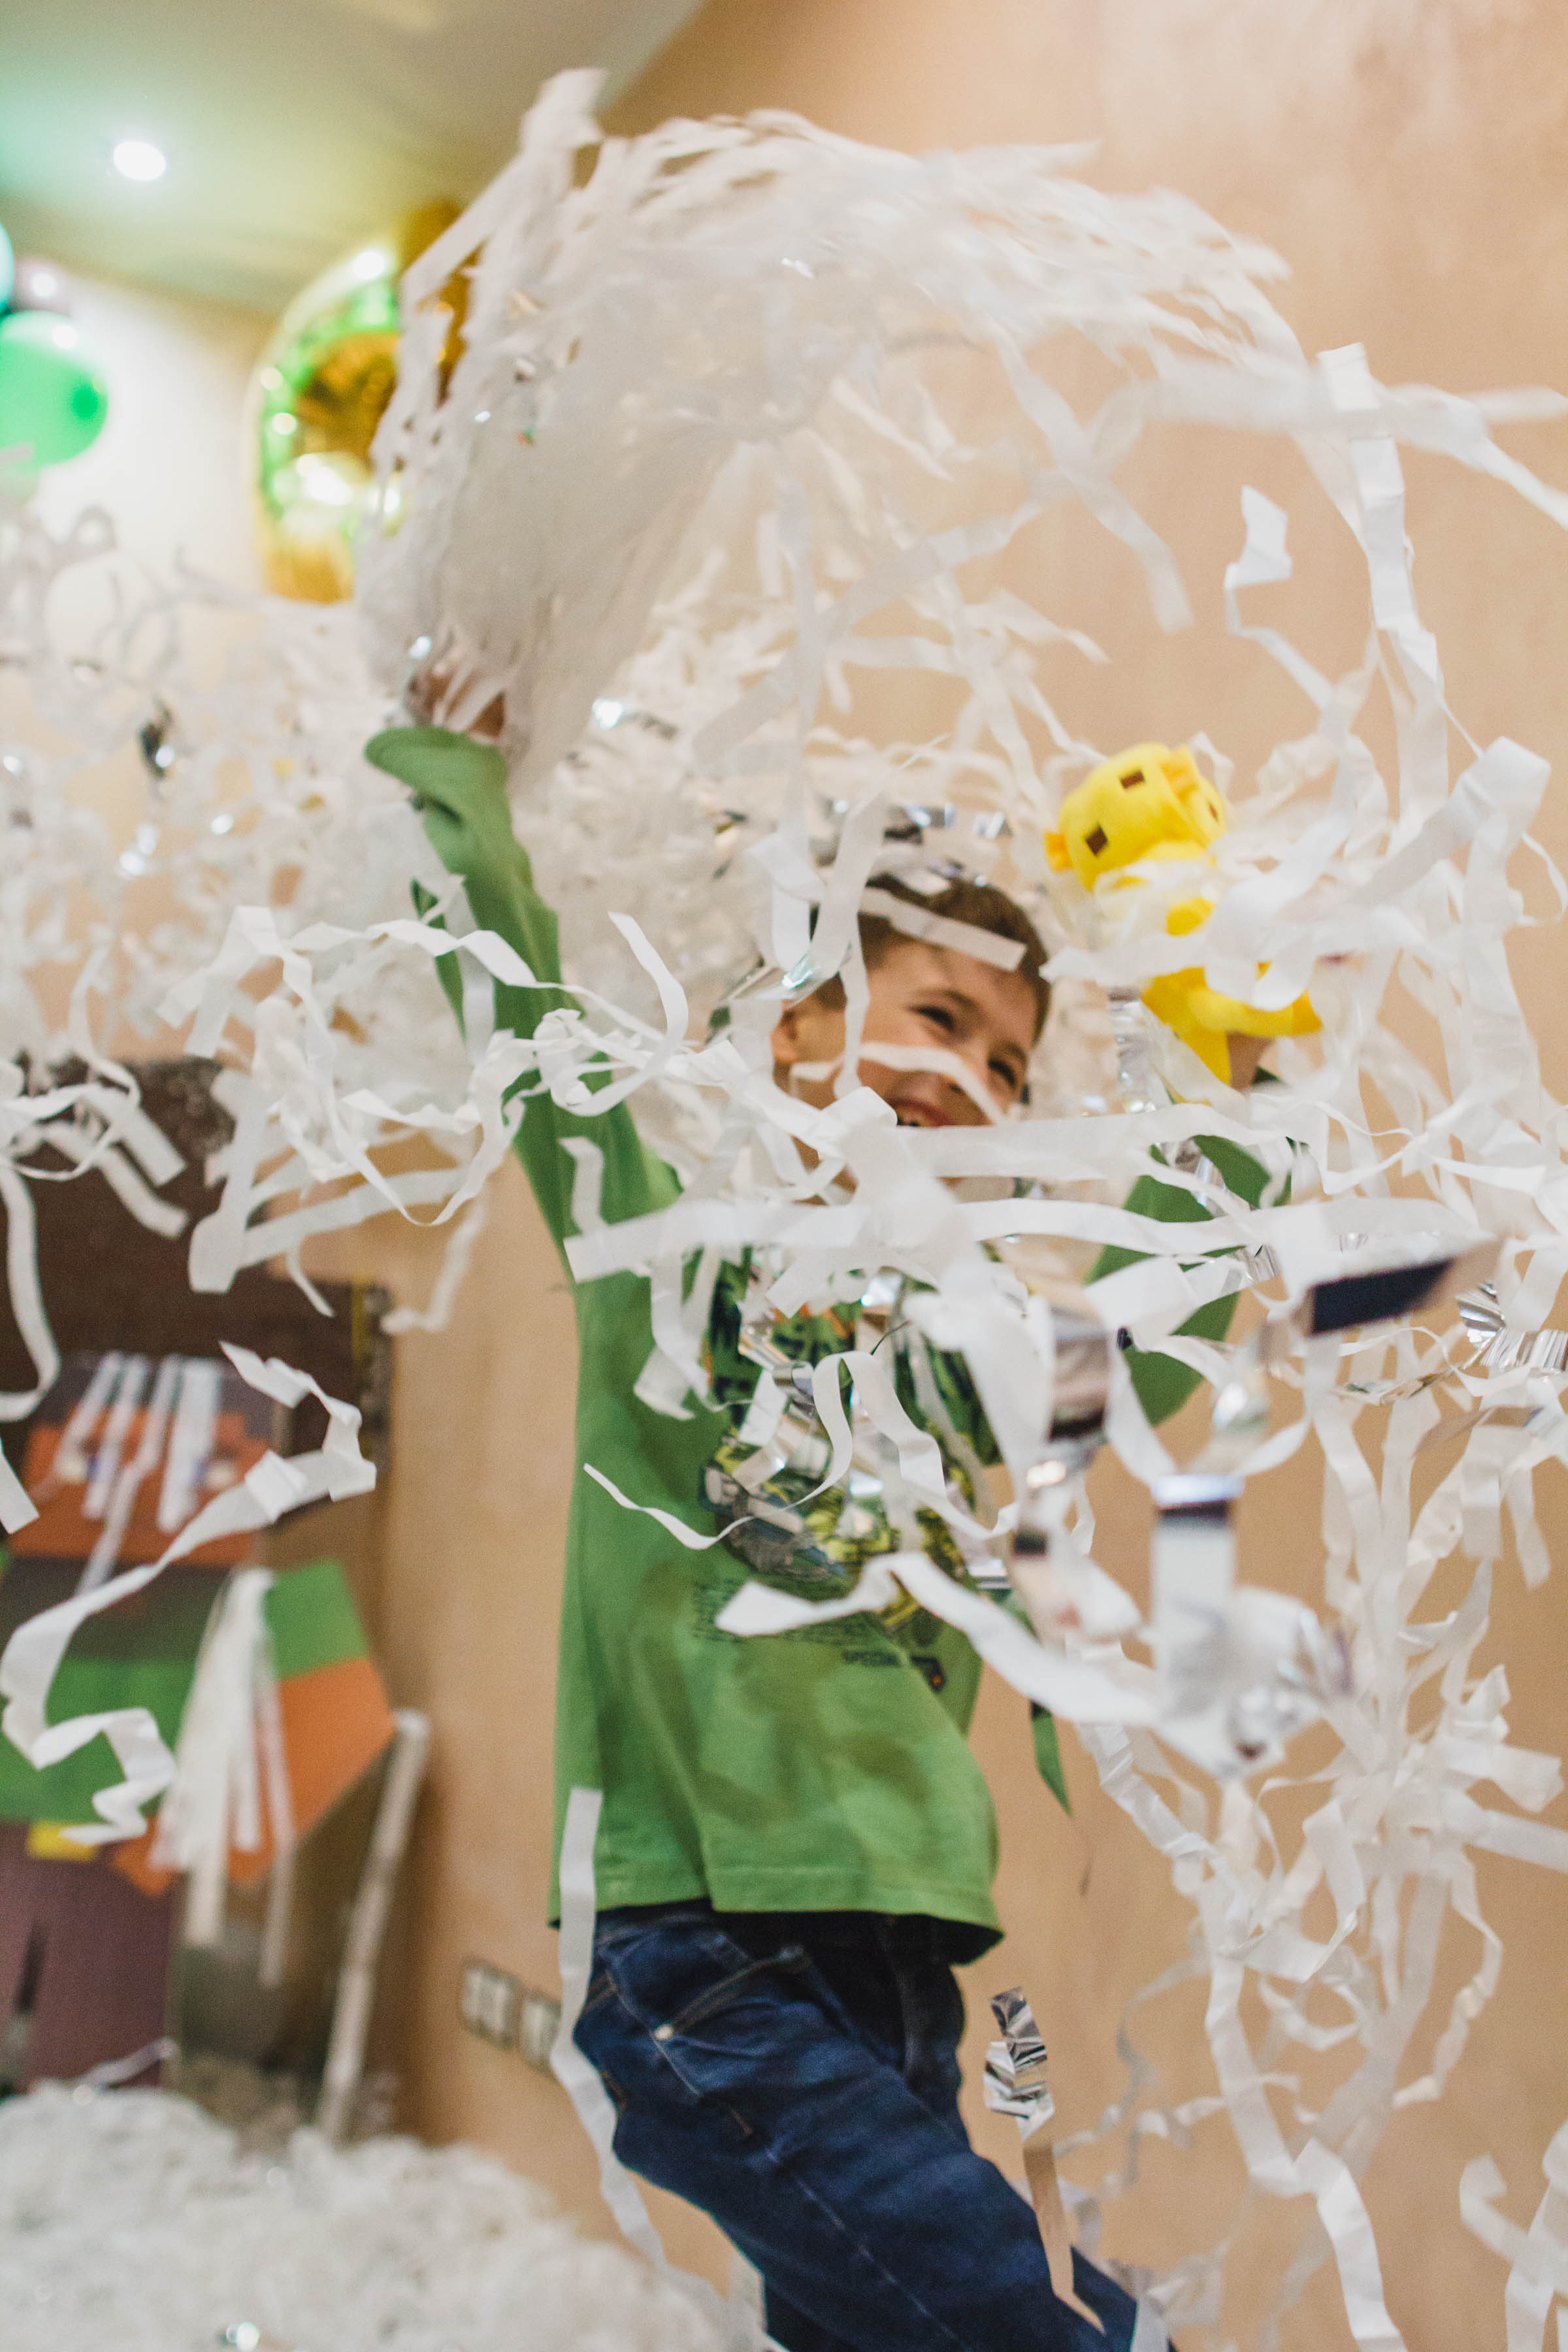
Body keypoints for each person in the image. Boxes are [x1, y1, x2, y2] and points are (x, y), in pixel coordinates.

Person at [367, 723, 1240, 2352]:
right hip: (706, 1965)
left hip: (899, 1961)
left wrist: (1241, 1096)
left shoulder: (952, 1362)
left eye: (1006, 1062)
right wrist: (466, 787)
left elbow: (1149, 1358)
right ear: (798, 1026)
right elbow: (531, 1030)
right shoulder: (673, 1272)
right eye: (937, 1015)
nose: (968, 1075)